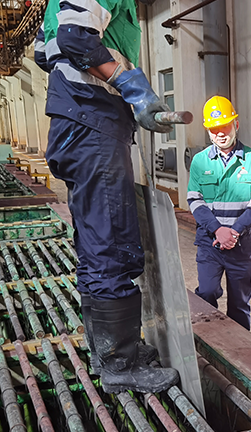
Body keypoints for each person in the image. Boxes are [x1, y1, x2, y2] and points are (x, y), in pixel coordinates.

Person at [35, 0, 179, 393]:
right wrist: (130, 86)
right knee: (111, 245)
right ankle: (120, 364)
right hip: (92, 125)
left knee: (96, 242)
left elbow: (43, 53)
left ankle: (108, 351)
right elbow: (74, 38)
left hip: (76, 124)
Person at [187, 96, 251, 330]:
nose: (220, 134)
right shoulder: (200, 161)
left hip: (240, 246)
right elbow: (194, 200)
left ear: (236, 125)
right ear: (208, 131)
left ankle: (241, 348)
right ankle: (208, 339)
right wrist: (217, 230)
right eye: (214, 129)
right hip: (209, 243)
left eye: (225, 127)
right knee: (207, 293)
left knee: (239, 304)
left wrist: (234, 232)